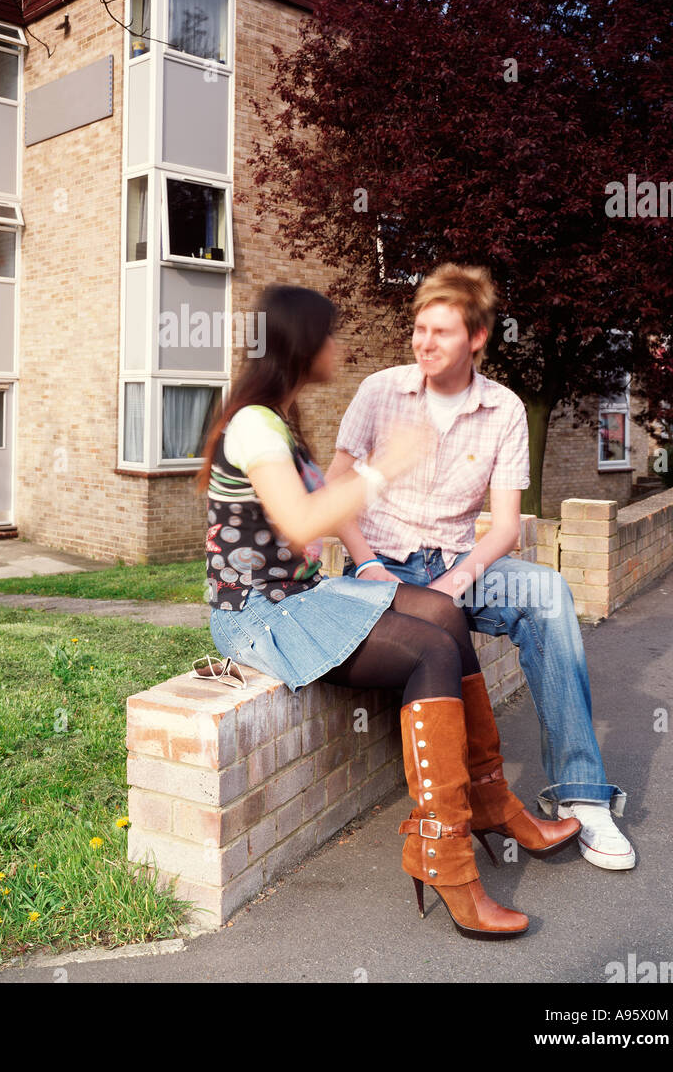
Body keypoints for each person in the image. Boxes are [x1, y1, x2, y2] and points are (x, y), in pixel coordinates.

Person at [196, 282, 580, 940]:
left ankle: (488, 800)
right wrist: (386, 469)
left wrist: (367, 534)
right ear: (304, 343)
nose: (340, 347)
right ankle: (445, 854)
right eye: (331, 335)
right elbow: (300, 521)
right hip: (257, 612)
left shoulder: (278, 417)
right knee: (428, 650)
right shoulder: (256, 423)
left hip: (301, 596)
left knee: (441, 612)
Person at [328, 262, 635, 871]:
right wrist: (365, 566)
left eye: (441, 332)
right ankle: (474, 807)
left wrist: (456, 580)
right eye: (419, 329)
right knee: (426, 613)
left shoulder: (504, 409)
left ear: (475, 339)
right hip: (380, 569)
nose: (425, 343)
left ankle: (583, 796)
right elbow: (335, 491)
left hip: (456, 566)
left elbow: (505, 526)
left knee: (546, 593)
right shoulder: (380, 392)